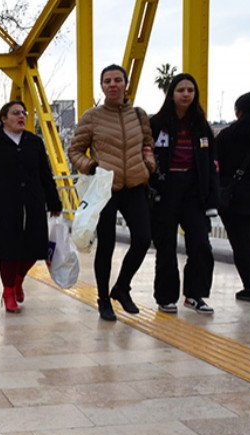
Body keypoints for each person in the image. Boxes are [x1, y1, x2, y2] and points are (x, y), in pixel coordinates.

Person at [68, 63, 156, 321]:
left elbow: (148, 145)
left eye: (118, 80)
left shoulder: (139, 116)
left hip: (135, 186)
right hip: (106, 188)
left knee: (143, 238)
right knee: (106, 245)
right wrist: (92, 167)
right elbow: (75, 151)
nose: (113, 85)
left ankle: (122, 287)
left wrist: (148, 165)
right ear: (102, 86)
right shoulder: (92, 117)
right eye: (107, 81)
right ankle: (104, 298)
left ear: (125, 84)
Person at [0, 100, 63, 313]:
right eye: (16, 113)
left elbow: (45, 174)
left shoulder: (34, 142)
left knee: (35, 248)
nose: (22, 116)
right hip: (2, 204)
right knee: (8, 250)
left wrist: (54, 202)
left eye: (24, 113)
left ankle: (18, 279)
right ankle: (8, 292)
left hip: (33, 203)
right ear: (3, 118)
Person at [148, 73, 220, 315]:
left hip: (193, 192)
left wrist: (212, 196)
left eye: (190, 90)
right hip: (165, 191)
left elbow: (211, 163)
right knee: (166, 246)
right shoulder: (156, 124)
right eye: (181, 90)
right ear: (172, 94)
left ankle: (195, 294)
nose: (186, 94)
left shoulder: (201, 126)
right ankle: (166, 296)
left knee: (200, 244)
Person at [216, 92, 250, 302]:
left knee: (241, 243)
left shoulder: (228, 135)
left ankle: (249, 287)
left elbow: (216, 165)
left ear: (238, 112)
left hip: (236, 197)